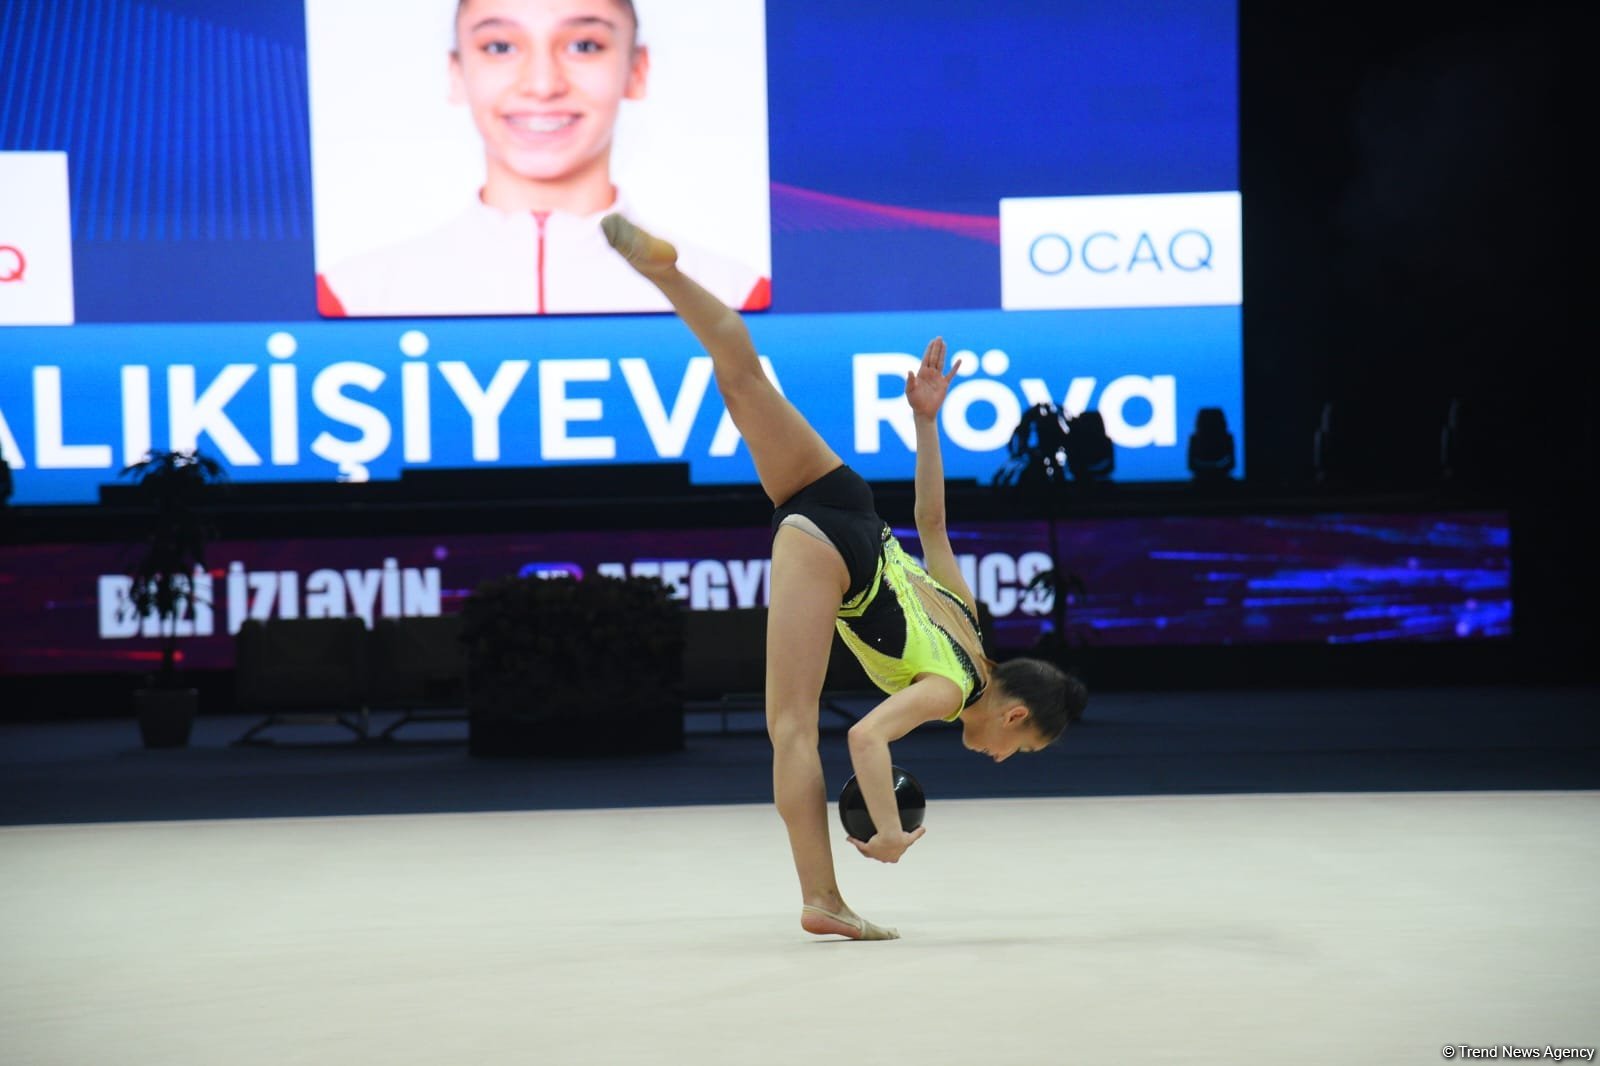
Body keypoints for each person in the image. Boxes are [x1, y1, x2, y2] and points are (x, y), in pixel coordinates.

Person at [601, 213, 1088, 940]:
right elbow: (865, 739)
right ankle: (823, 897)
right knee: (791, 726)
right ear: (1014, 714)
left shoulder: (967, 623)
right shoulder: (952, 690)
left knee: (743, 378)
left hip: (844, 501)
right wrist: (887, 834)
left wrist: (926, 423)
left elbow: (931, 526)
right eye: (1020, 748)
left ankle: (667, 274)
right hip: (835, 554)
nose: (1002, 756)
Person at [317, 0, 769, 318]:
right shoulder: (352, 295)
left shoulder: (736, 296)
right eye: (499, 47)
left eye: (584, 45)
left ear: (637, 70)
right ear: (457, 73)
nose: (541, 83)